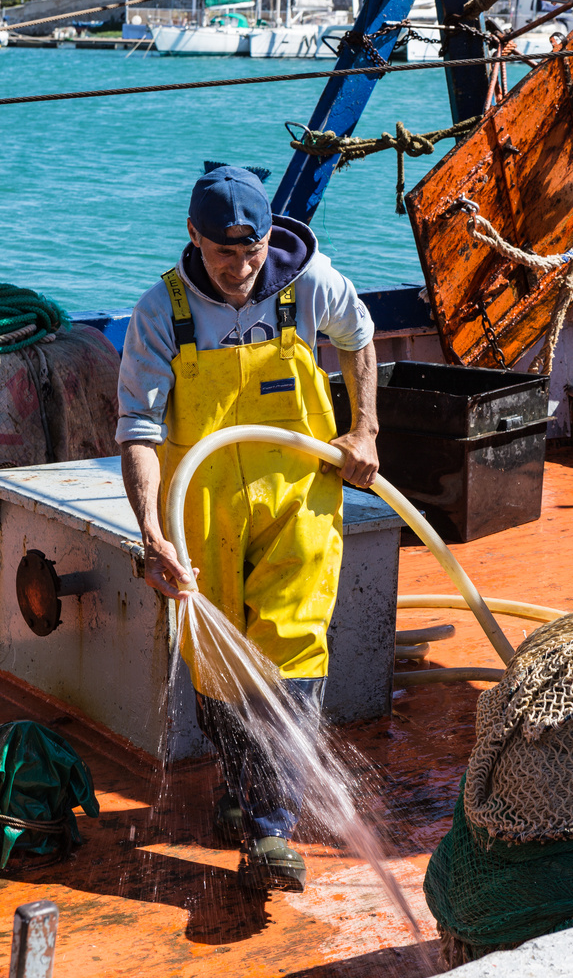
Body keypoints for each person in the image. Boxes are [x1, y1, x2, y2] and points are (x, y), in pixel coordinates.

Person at [117, 166, 378, 893]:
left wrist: (364, 428)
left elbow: (359, 336)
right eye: (224, 252)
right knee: (218, 660)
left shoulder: (309, 282)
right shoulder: (159, 313)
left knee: (291, 646)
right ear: (193, 238)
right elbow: (138, 429)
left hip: (299, 497)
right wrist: (149, 531)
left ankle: (271, 828)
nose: (241, 268)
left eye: (253, 250)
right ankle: (246, 787)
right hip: (202, 509)